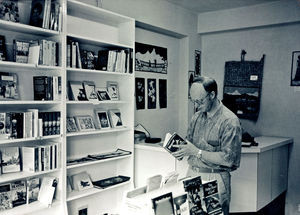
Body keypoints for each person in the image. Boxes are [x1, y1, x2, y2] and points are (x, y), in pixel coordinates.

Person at [173, 76, 242, 215]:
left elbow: (229, 160)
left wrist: (197, 152)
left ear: (212, 94)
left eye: (200, 101)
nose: (196, 105)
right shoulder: (196, 117)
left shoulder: (230, 121)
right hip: (192, 175)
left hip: (215, 178)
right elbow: (189, 143)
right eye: (193, 101)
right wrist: (181, 149)